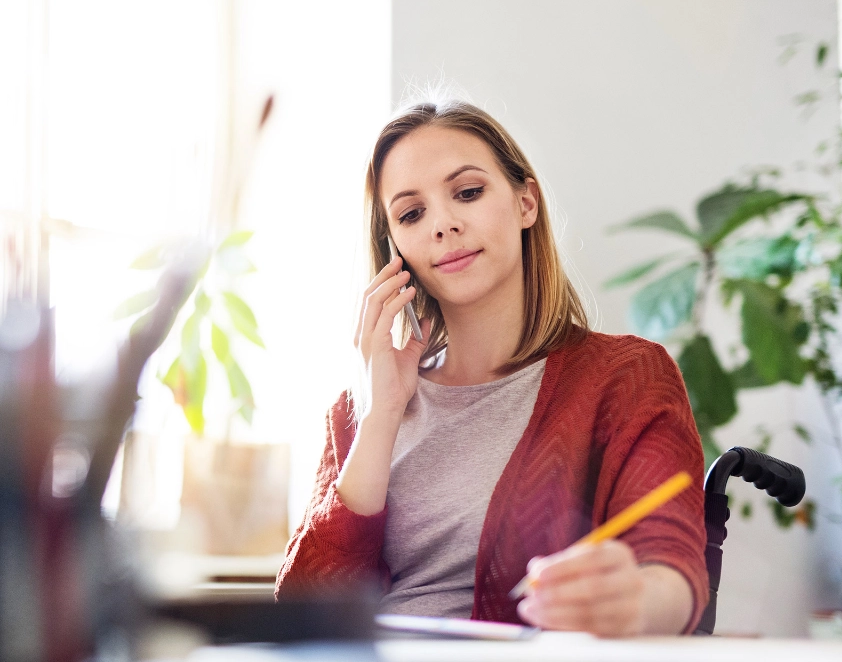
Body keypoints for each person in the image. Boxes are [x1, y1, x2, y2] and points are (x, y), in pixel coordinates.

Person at [274, 101, 708, 637]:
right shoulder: (356, 409)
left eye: (468, 192)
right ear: (396, 252)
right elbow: (300, 619)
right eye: (411, 214)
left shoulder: (626, 377)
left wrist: (634, 601)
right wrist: (381, 414)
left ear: (526, 202)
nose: (444, 224)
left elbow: (673, 570)